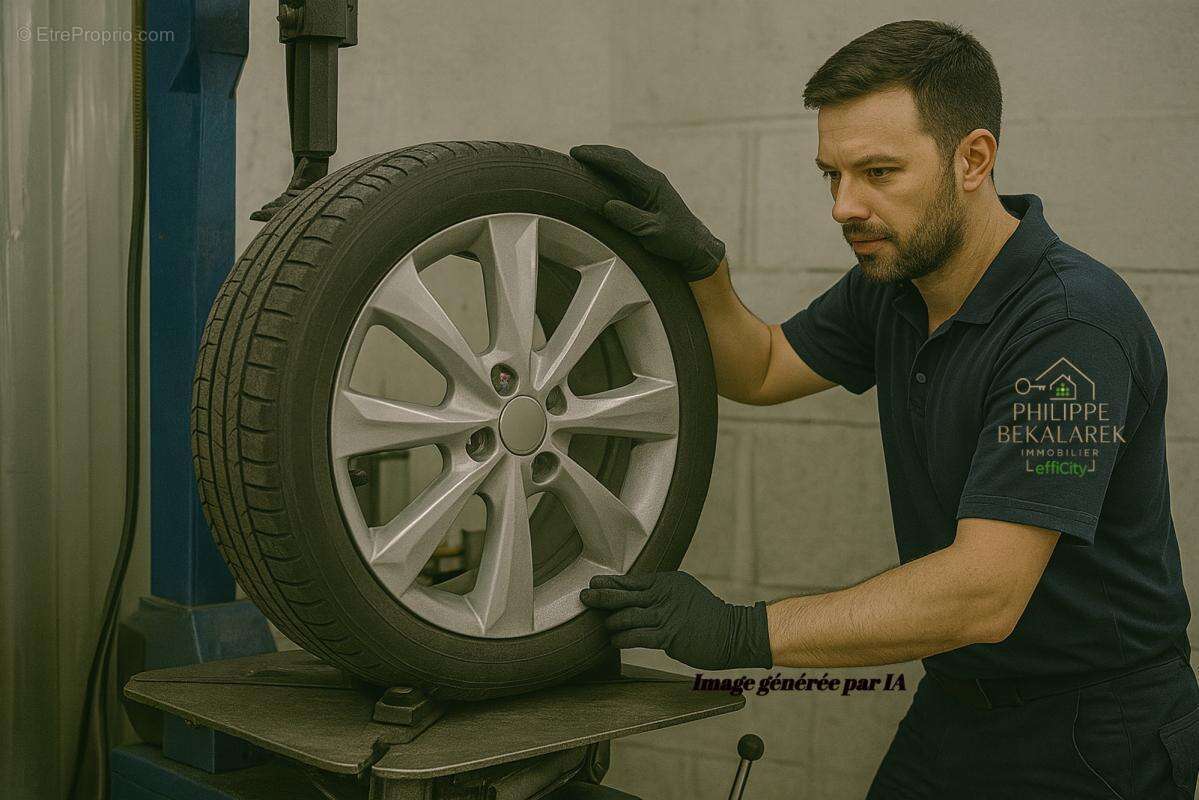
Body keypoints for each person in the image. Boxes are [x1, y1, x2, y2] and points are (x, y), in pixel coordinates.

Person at [573, 19, 1199, 799]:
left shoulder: (1067, 329)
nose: (844, 206)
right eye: (830, 175)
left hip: (1091, 732)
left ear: (973, 159)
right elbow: (762, 367)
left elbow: (984, 592)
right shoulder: (895, 287)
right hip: (957, 703)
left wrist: (740, 632)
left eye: (877, 172)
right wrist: (702, 266)